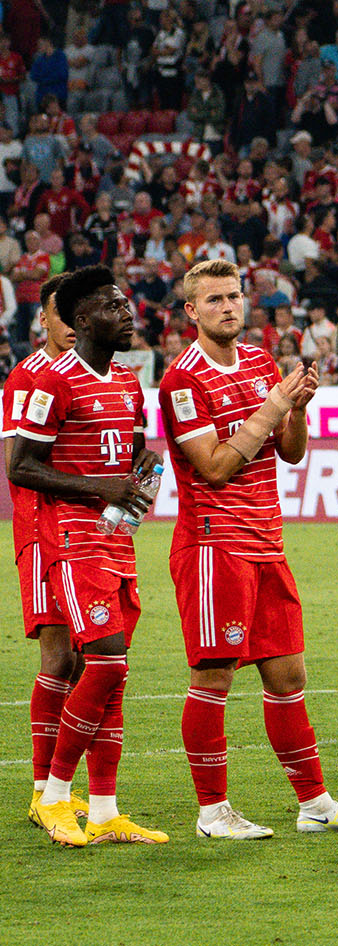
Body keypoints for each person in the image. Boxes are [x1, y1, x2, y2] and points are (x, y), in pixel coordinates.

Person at [160, 260, 338, 838]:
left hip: (266, 543)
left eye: (234, 297)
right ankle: (212, 813)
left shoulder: (261, 362)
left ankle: (314, 804)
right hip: (214, 548)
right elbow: (213, 467)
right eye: (213, 300)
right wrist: (274, 406)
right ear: (191, 312)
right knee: (214, 677)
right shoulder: (181, 380)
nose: (228, 307)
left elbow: (290, 453)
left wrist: (299, 407)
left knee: (287, 676)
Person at [8, 266, 167, 846]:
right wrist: (100, 488)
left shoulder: (126, 383)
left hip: (115, 539)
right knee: (101, 662)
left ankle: (104, 810)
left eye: (126, 304)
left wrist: (141, 474)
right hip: (70, 540)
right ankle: (53, 796)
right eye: (112, 306)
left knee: (115, 672)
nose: (127, 314)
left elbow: (132, 451)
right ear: (81, 320)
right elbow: (20, 467)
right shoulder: (52, 381)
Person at [4, 273, 84, 830]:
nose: (75, 323)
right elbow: (20, 467)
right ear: (44, 319)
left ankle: (64, 786)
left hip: (88, 535)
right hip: (42, 534)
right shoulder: (28, 378)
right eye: (64, 313)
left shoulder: (96, 375)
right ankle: (42, 791)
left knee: (90, 660)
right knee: (59, 658)